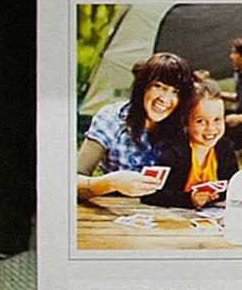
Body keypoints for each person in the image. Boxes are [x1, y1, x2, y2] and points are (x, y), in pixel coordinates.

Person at [76, 52, 195, 201]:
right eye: (158, 86)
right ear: (143, 87)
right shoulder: (111, 118)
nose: (164, 99)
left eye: (175, 92)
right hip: (112, 211)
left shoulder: (183, 125)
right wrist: (111, 183)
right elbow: (72, 181)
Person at [144, 85, 239, 210]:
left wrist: (216, 195)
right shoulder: (171, 152)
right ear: (186, 124)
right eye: (200, 121)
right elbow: (150, 194)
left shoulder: (225, 148)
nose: (211, 128)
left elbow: (233, 186)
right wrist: (189, 198)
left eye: (217, 120)